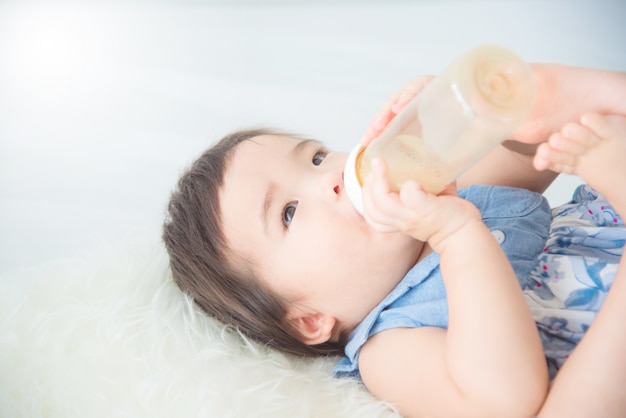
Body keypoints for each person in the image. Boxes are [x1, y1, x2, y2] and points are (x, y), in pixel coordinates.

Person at [162, 63, 626, 417]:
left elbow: (528, 151)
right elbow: (502, 402)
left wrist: (460, 119)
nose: (332, 179)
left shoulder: (453, 195)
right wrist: (459, 237)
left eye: (318, 158)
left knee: (574, 121)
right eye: (288, 212)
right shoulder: (389, 345)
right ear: (309, 320)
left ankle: (589, 91)